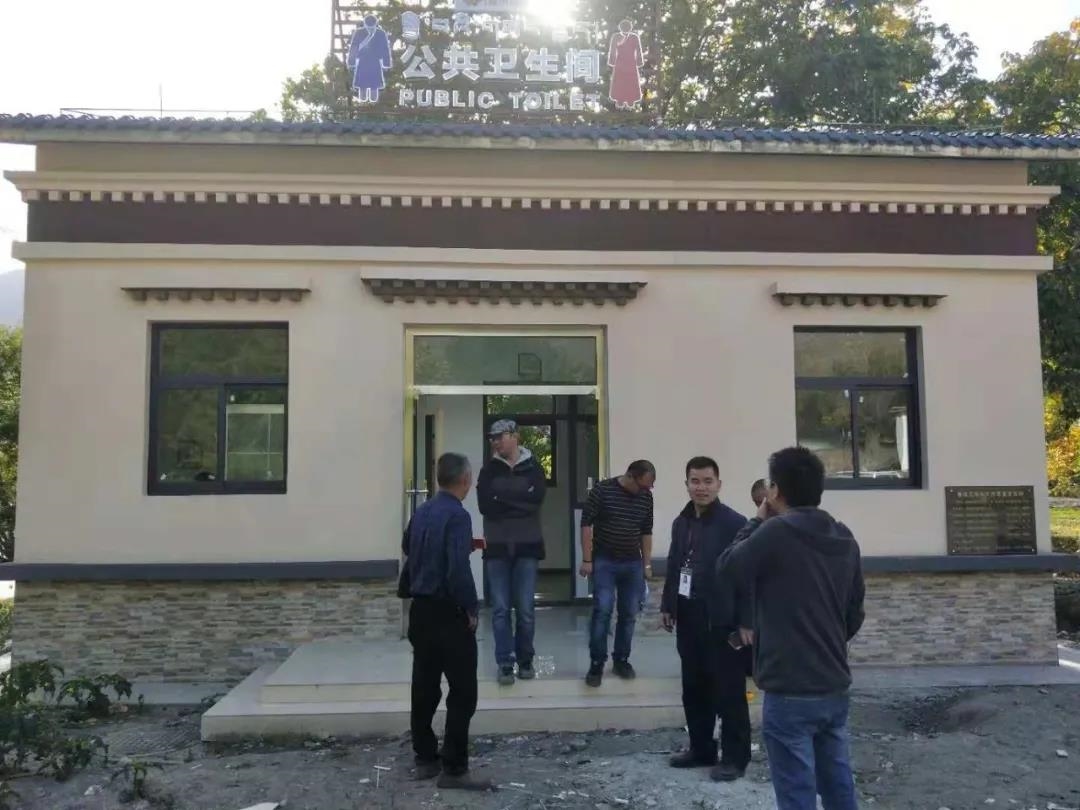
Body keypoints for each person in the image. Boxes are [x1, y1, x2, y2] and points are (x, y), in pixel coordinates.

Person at [719, 447, 865, 810]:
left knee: (796, 791)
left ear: (776, 491)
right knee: (837, 781)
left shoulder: (777, 532)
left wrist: (756, 520)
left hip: (789, 687)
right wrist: (824, 641)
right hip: (833, 683)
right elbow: (854, 614)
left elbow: (728, 568)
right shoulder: (844, 536)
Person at [401, 452, 492, 792]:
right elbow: (457, 569)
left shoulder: (422, 511)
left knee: (424, 686)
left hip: (420, 611)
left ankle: (425, 758)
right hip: (448, 613)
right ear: (465, 480)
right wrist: (471, 608)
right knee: (463, 691)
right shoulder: (458, 515)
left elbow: (407, 545)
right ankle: (454, 769)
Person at [660, 457, 752, 782]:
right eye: (695, 481)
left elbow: (747, 576)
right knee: (694, 687)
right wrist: (668, 605)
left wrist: (746, 620)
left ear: (719, 484)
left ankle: (735, 758)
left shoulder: (735, 523)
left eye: (708, 481)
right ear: (686, 484)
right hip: (689, 616)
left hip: (723, 621)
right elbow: (675, 565)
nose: (701, 488)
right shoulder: (681, 522)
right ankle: (701, 748)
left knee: (728, 690)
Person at [476, 419, 547, 685]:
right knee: (500, 609)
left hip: (527, 546)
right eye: (492, 438)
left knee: (526, 609)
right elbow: (485, 506)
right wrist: (519, 500)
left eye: (499, 437)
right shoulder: (488, 471)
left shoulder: (534, 468)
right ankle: (504, 663)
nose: (495, 442)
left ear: (515, 436)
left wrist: (503, 499)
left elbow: (536, 500)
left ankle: (525, 660)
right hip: (497, 548)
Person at [579, 460, 655, 687]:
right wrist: (587, 559)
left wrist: (647, 564)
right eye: (643, 486)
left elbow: (646, 531)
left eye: (649, 487)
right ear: (630, 476)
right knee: (602, 609)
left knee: (629, 613)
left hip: (632, 562)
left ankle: (621, 660)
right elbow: (586, 524)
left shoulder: (645, 497)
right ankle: (596, 663)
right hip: (605, 561)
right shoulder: (602, 491)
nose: (645, 491)